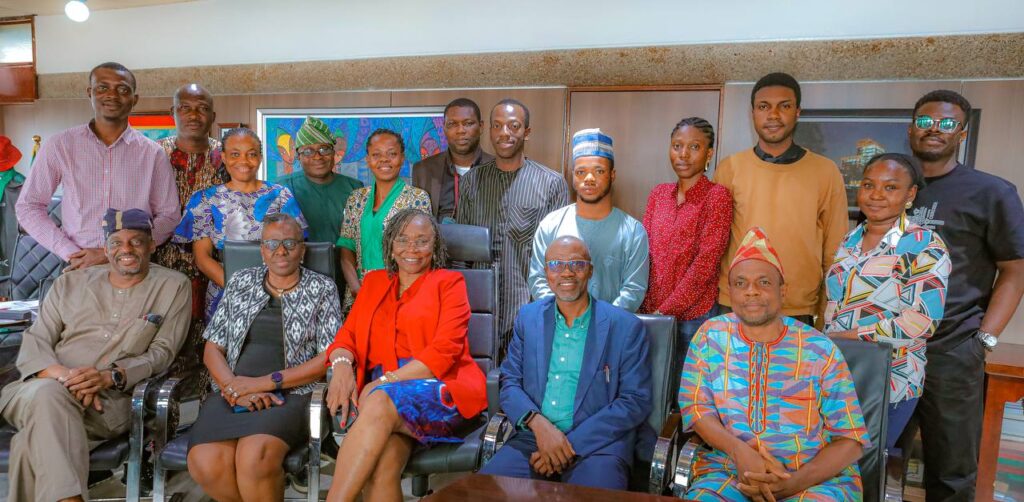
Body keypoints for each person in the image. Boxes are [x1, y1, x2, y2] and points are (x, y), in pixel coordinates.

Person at [0, 208, 190, 502]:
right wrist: (68, 378)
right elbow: (36, 341)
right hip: (35, 390)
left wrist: (111, 376)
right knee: (50, 394)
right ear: (105, 248)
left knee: (32, 443)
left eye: (136, 241)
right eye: (116, 243)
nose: (126, 250)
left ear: (152, 244)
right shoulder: (70, 283)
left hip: (105, 403)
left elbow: (162, 353)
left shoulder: (173, 286)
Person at [679, 227, 869, 501]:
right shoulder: (710, 336)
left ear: (783, 291)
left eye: (764, 282)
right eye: (741, 283)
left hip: (813, 481)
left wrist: (790, 484)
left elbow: (850, 441)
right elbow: (696, 408)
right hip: (729, 471)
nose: (751, 292)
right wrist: (740, 452)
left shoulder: (820, 349)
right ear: (730, 291)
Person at [904, 90, 1024, 501]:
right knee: (870, 454)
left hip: (952, 349)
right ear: (911, 128)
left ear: (962, 133)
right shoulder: (891, 187)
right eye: (925, 121)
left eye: (947, 122)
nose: (934, 129)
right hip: (888, 347)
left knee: (951, 472)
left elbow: (1015, 269)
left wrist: (984, 340)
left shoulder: (991, 192)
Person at [324, 209, 487, 502]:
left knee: (379, 400)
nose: (412, 248)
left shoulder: (449, 283)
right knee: (381, 469)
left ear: (435, 247)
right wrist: (342, 365)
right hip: (383, 403)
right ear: (390, 246)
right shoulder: (374, 282)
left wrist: (385, 381)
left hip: (439, 389)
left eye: (422, 241)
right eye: (402, 239)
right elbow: (346, 337)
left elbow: (443, 353)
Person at [186, 213, 342, 502]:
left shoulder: (322, 288)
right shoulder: (241, 281)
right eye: (271, 243)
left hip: (292, 393)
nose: (280, 250)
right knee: (205, 462)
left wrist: (263, 384)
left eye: (289, 243)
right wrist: (234, 388)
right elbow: (213, 348)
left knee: (254, 459)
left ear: (302, 249)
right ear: (261, 250)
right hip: (232, 391)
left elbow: (328, 357)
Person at [480, 236, 652, 489]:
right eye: (556, 264)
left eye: (577, 264)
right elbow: (510, 382)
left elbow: (635, 400)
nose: (566, 272)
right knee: (483, 492)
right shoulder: (528, 318)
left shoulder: (625, 326)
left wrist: (565, 446)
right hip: (534, 439)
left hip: (598, 447)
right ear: (546, 272)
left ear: (590, 271)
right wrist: (539, 426)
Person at [823, 153, 950, 455]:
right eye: (869, 185)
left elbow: (921, 322)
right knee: (829, 464)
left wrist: (849, 338)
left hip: (890, 381)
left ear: (910, 194)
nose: (876, 195)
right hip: (839, 376)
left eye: (890, 187)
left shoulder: (925, 245)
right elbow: (835, 306)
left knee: (863, 464)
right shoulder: (850, 240)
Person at [15, 62, 180, 270]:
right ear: (90, 93)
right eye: (102, 87)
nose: (112, 95)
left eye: (123, 89)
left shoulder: (153, 153)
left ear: (134, 99)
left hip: (134, 267)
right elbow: (28, 206)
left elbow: (169, 215)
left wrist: (122, 250)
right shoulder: (60, 145)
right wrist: (70, 252)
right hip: (79, 265)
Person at [713, 72, 847, 325]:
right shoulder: (730, 168)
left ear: (797, 112)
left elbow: (835, 251)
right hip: (736, 303)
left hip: (797, 307)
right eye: (764, 107)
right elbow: (715, 242)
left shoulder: (825, 171)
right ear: (753, 113)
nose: (773, 115)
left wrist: (826, 310)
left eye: (784, 106)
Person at [457, 99, 570, 356]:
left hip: (528, 311)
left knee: (523, 377)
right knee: (477, 377)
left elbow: (557, 256)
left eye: (513, 126)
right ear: (489, 131)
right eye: (497, 126)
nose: (504, 133)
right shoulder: (472, 182)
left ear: (526, 132)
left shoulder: (551, 184)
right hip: (476, 310)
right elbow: (461, 253)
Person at [174, 127, 306, 321]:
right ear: (224, 157)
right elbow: (202, 258)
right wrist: (243, 291)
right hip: (226, 290)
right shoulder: (205, 199)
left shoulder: (280, 195)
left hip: (278, 290)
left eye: (251, 154)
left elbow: (296, 247)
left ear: (260, 157)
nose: (244, 161)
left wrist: (270, 291)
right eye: (235, 154)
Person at [153, 83, 228, 384]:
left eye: (202, 109)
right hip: (160, 263)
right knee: (163, 345)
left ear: (213, 116)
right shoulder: (153, 153)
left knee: (212, 347)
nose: (194, 115)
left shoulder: (227, 155)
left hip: (214, 265)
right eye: (185, 108)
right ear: (173, 112)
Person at [528, 128, 648, 312]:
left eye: (599, 171)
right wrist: (566, 317)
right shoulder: (550, 225)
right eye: (581, 172)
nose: (589, 178)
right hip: (559, 326)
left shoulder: (633, 232)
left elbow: (634, 290)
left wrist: (602, 321)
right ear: (573, 176)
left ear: (612, 175)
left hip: (612, 326)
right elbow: (538, 280)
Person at [640, 117, 732, 353]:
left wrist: (665, 310)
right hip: (650, 313)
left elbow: (706, 263)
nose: (683, 154)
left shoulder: (717, 197)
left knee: (687, 377)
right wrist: (647, 310)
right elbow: (643, 253)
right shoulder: (659, 195)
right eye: (677, 146)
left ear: (709, 153)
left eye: (694, 147)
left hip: (693, 318)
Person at [337, 129, 431, 297]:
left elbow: (422, 251)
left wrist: (400, 292)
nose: (384, 159)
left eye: (392, 154)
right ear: (368, 160)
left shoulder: (417, 198)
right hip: (360, 291)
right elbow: (346, 247)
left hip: (401, 292)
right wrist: (356, 287)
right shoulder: (356, 198)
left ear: (402, 158)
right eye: (376, 155)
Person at [277, 116, 362, 243]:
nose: (317, 157)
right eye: (308, 151)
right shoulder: (282, 188)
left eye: (324, 149)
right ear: (298, 156)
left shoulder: (355, 188)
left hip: (345, 255)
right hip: (300, 256)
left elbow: (361, 234)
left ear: (333, 153)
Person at [412, 98, 495, 222]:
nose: (460, 130)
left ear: (481, 127)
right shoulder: (423, 170)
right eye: (452, 124)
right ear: (444, 128)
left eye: (468, 123)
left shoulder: (497, 167)